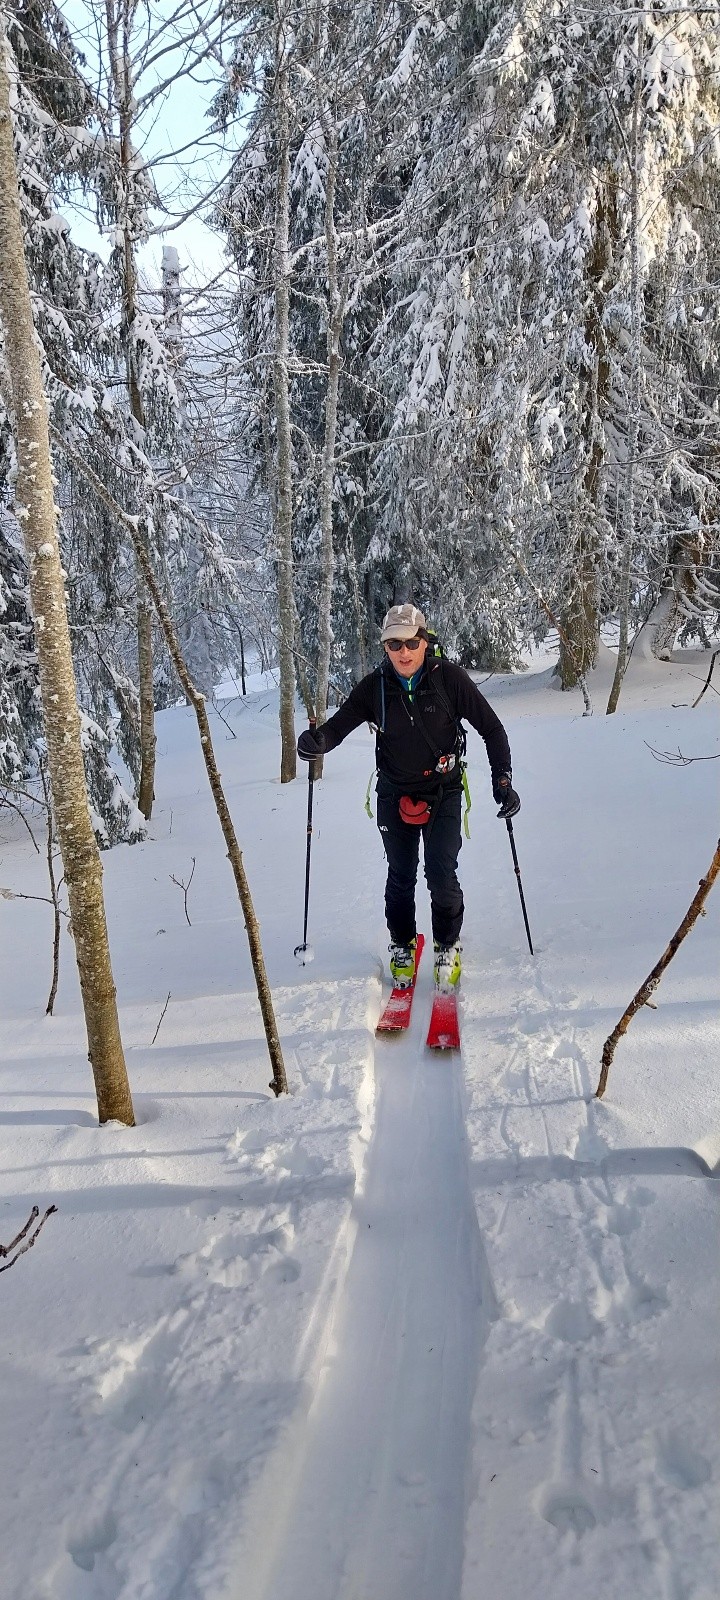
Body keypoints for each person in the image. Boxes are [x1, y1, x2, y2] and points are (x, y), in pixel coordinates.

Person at [297, 603, 520, 990]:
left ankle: (446, 946)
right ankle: (402, 945)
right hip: (394, 792)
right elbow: (337, 728)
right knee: (400, 874)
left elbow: (492, 729)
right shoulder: (375, 687)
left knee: (440, 872)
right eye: (394, 644)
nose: (404, 652)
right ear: (385, 647)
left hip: (443, 790)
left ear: (424, 641)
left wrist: (503, 781)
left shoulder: (449, 679)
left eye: (411, 642)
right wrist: (316, 742)